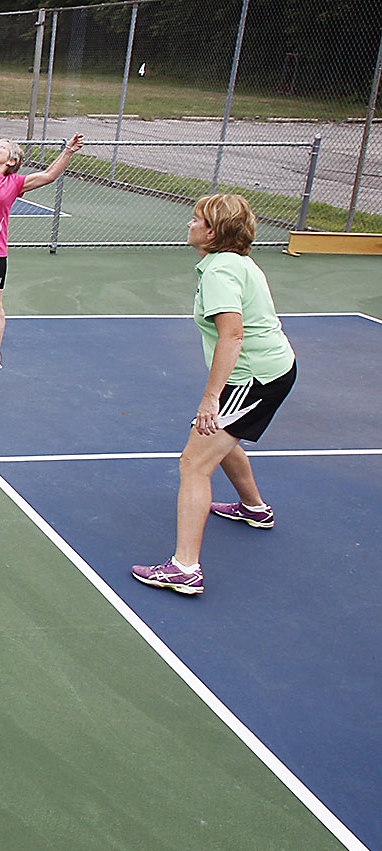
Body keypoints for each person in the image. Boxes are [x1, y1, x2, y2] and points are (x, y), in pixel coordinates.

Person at [132, 194, 296, 596]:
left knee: (194, 462)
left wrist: (211, 399)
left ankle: (185, 568)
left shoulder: (221, 272)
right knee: (219, 440)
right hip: (269, 370)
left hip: (253, 378)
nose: (189, 224)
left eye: (196, 219)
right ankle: (255, 509)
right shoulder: (235, 263)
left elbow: (232, 336)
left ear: (213, 232)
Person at [0, 108, 84, 385]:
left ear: (13, 160)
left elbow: (48, 176)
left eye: (2, 147)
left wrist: (67, 151)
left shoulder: (14, 183)